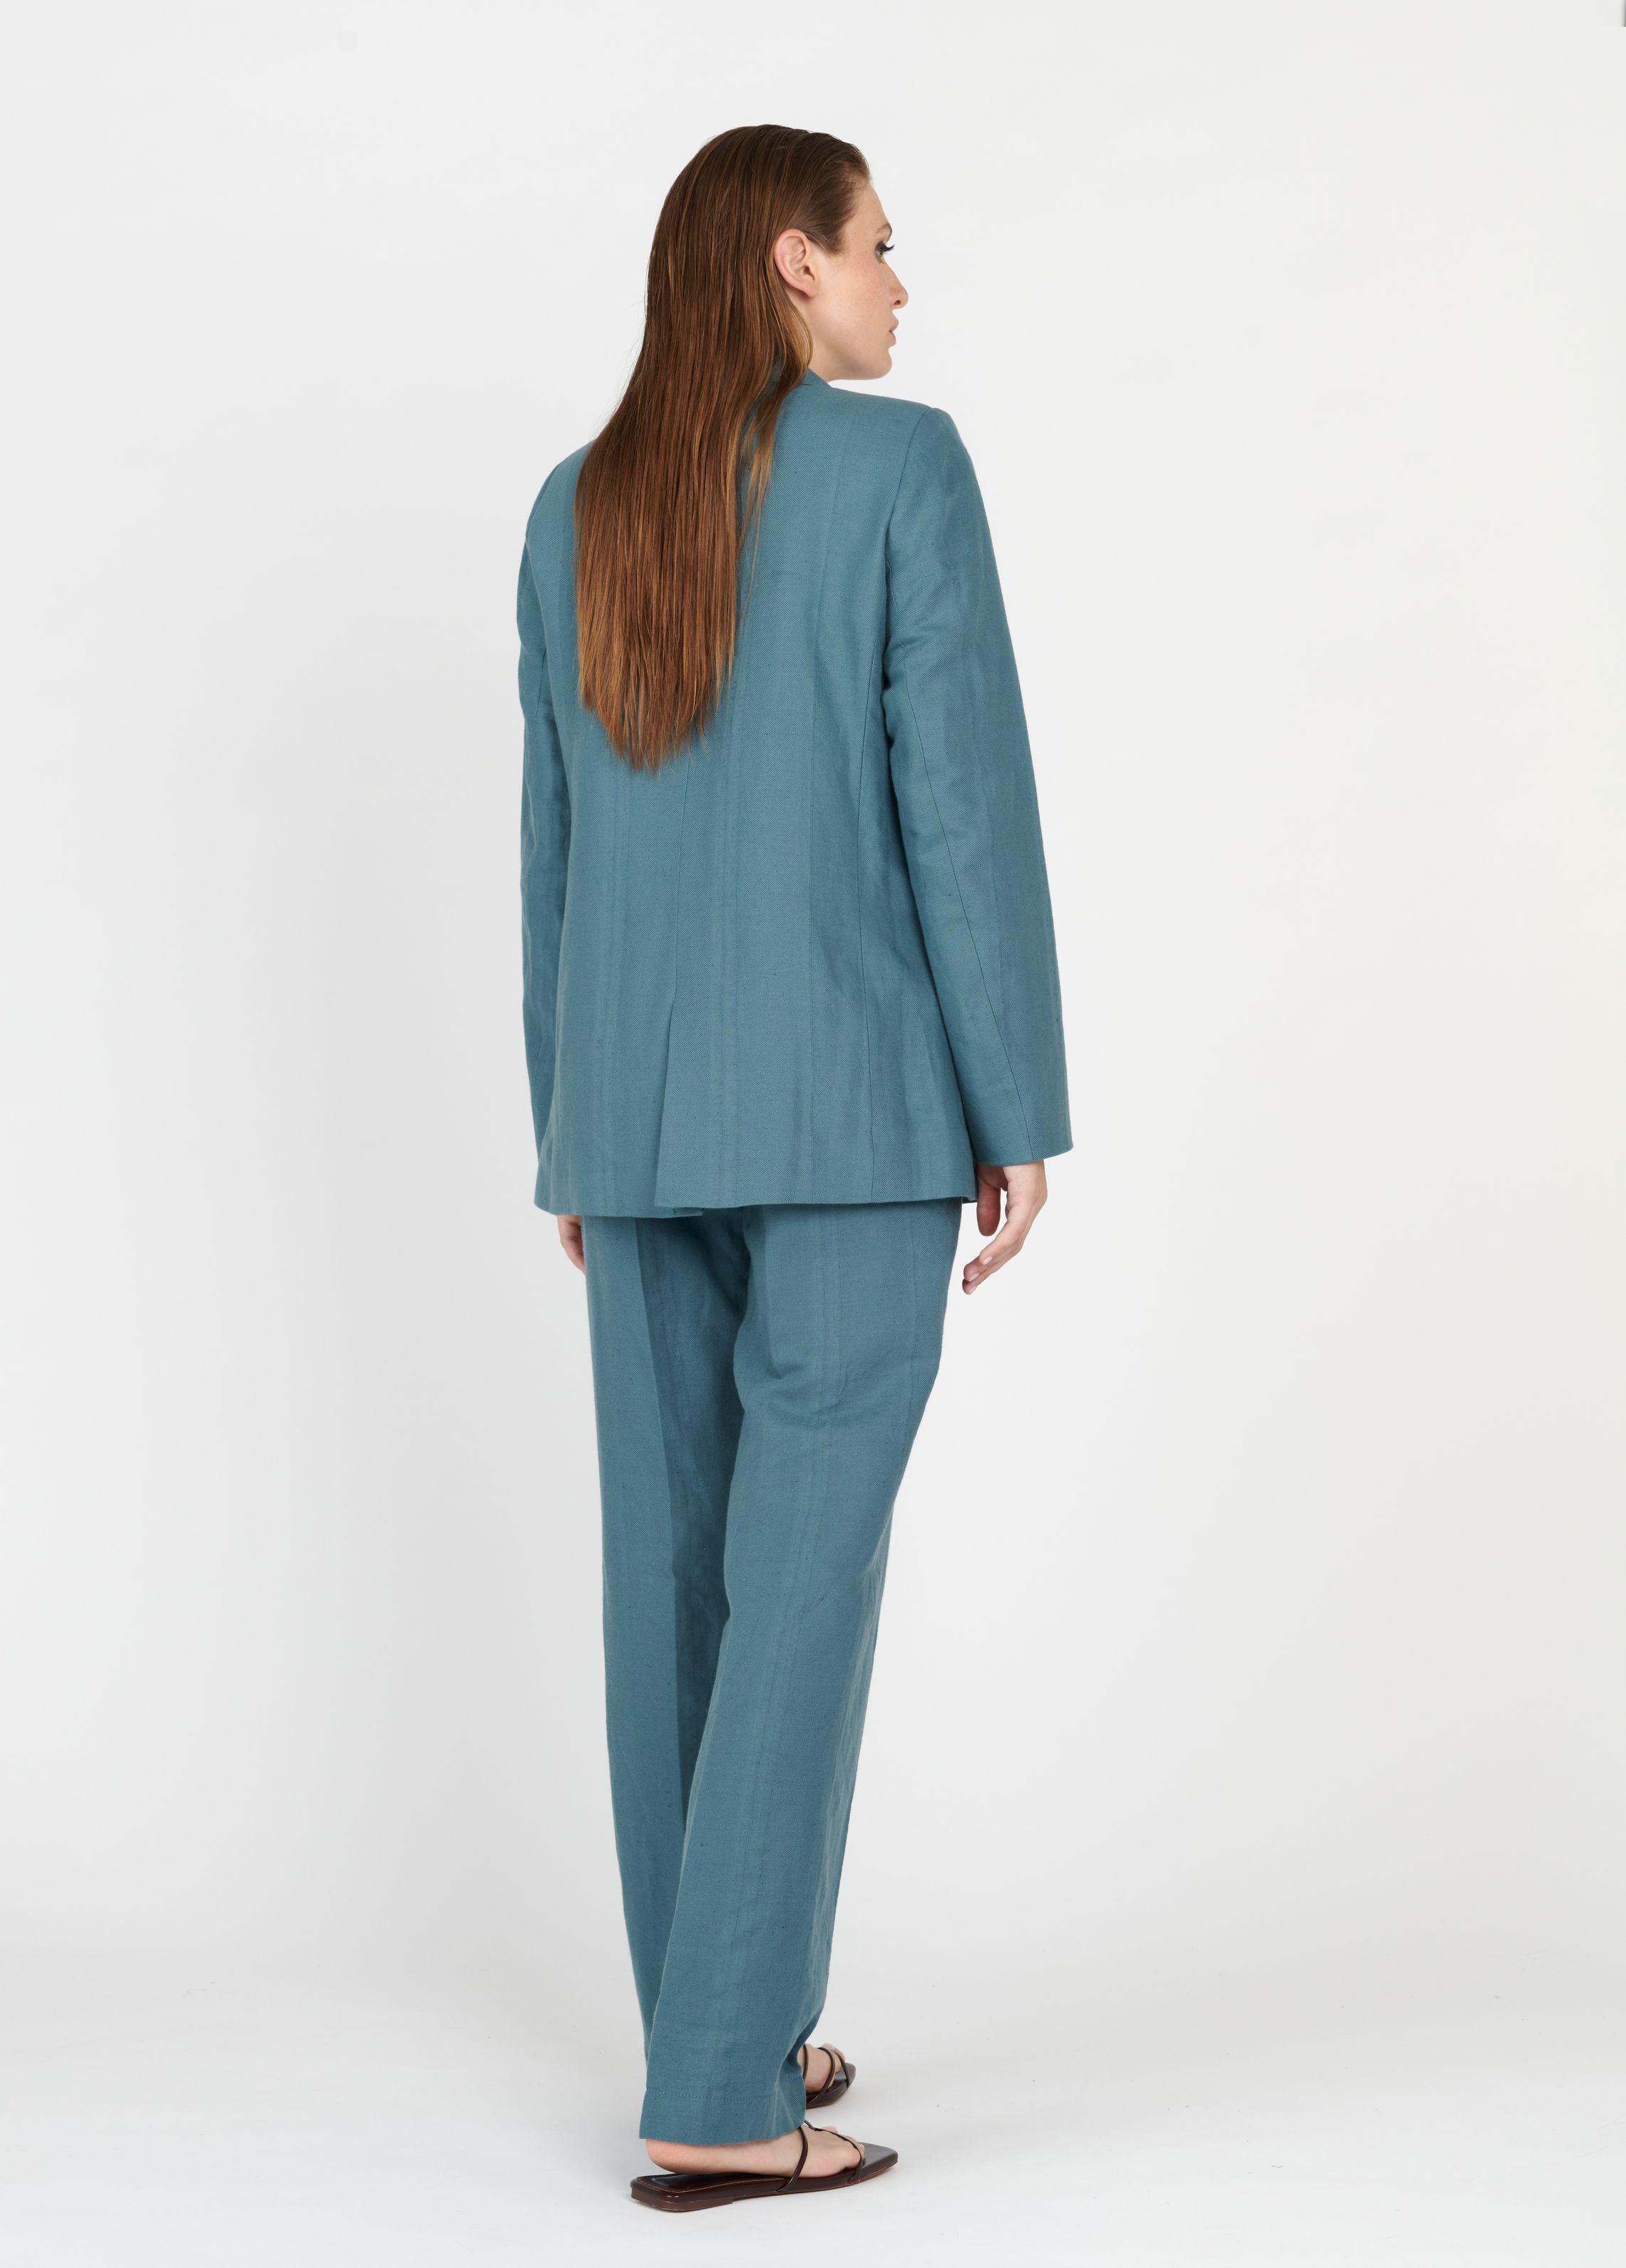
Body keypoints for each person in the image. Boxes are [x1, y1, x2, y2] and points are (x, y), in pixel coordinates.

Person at [515, 123, 1071, 2214]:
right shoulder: (899, 470)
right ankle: (725, 2097)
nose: (899, 287)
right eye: (877, 247)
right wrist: (1011, 1103)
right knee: (798, 1592)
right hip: (848, 1116)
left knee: (672, 1582)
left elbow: (555, 844)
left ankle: (713, 2022)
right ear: (786, 263)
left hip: (635, 1118)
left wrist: (569, 1125)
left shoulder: (573, 503)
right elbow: (962, 806)